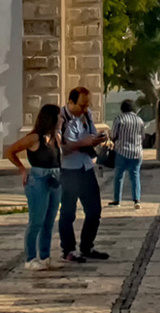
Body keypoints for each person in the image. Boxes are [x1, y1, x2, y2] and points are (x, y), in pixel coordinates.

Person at [5, 103, 65, 271]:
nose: (62, 119)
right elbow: (11, 151)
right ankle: (30, 258)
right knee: (36, 221)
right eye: (59, 116)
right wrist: (22, 169)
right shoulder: (34, 138)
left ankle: (45, 256)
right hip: (39, 179)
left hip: (55, 179)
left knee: (49, 220)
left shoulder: (56, 138)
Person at [58, 86, 109, 262]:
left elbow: (91, 135)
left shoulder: (86, 116)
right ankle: (68, 249)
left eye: (87, 106)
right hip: (68, 170)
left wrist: (97, 139)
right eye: (81, 106)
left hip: (86, 167)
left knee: (94, 211)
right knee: (68, 212)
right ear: (70, 102)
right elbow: (59, 149)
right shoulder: (60, 119)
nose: (84, 110)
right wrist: (82, 143)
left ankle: (87, 246)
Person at [110, 98, 145, 207]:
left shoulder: (119, 119)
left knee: (119, 176)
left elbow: (113, 135)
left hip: (122, 151)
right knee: (135, 176)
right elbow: (143, 136)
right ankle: (137, 200)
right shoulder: (140, 120)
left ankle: (117, 200)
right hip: (137, 152)